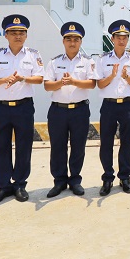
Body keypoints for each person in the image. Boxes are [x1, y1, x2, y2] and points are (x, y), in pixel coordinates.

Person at [0, 14, 44, 205]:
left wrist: (22, 78)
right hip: (1, 108)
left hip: (24, 107)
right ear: (6, 35)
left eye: (21, 33)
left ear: (26, 35)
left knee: (24, 146)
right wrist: (3, 80)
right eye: (13, 32)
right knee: (0, 146)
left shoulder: (33, 55)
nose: (18, 36)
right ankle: (3, 186)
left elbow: (40, 78)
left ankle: (19, 184)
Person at [44, 22, 96, 198]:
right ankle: (59, 181)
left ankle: (75, 180)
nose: (72, 42)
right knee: (57, 147)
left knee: (78, 146)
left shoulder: (88, 62)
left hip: (80, 110)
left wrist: (73, 82)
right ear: (63, 41)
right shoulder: (54, 62)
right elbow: (47, 86)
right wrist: (61, 83)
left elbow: (92, 83)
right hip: (58, 111)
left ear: (80, 41)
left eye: (76, 39)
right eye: (68, 39)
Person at [96, 20, 130, 196]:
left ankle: (125, 177)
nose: (122, 40)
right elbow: (99, 84)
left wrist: (126, 77)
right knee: (106, 143)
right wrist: (112, 76)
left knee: (126, 143)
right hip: (109, 105)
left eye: (125, 37)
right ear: (112, 39)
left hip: (127, 105)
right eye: (118, 37)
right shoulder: (103, 59)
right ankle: (107, 178)